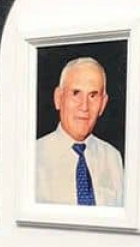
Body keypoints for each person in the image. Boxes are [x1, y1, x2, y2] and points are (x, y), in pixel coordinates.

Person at [35, 57, 124, 206]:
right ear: (58, 98)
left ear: (103, 104)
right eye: (76, 93)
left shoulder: (112, 158)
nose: (84, 106)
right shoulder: (33, 157)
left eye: (93, 96)